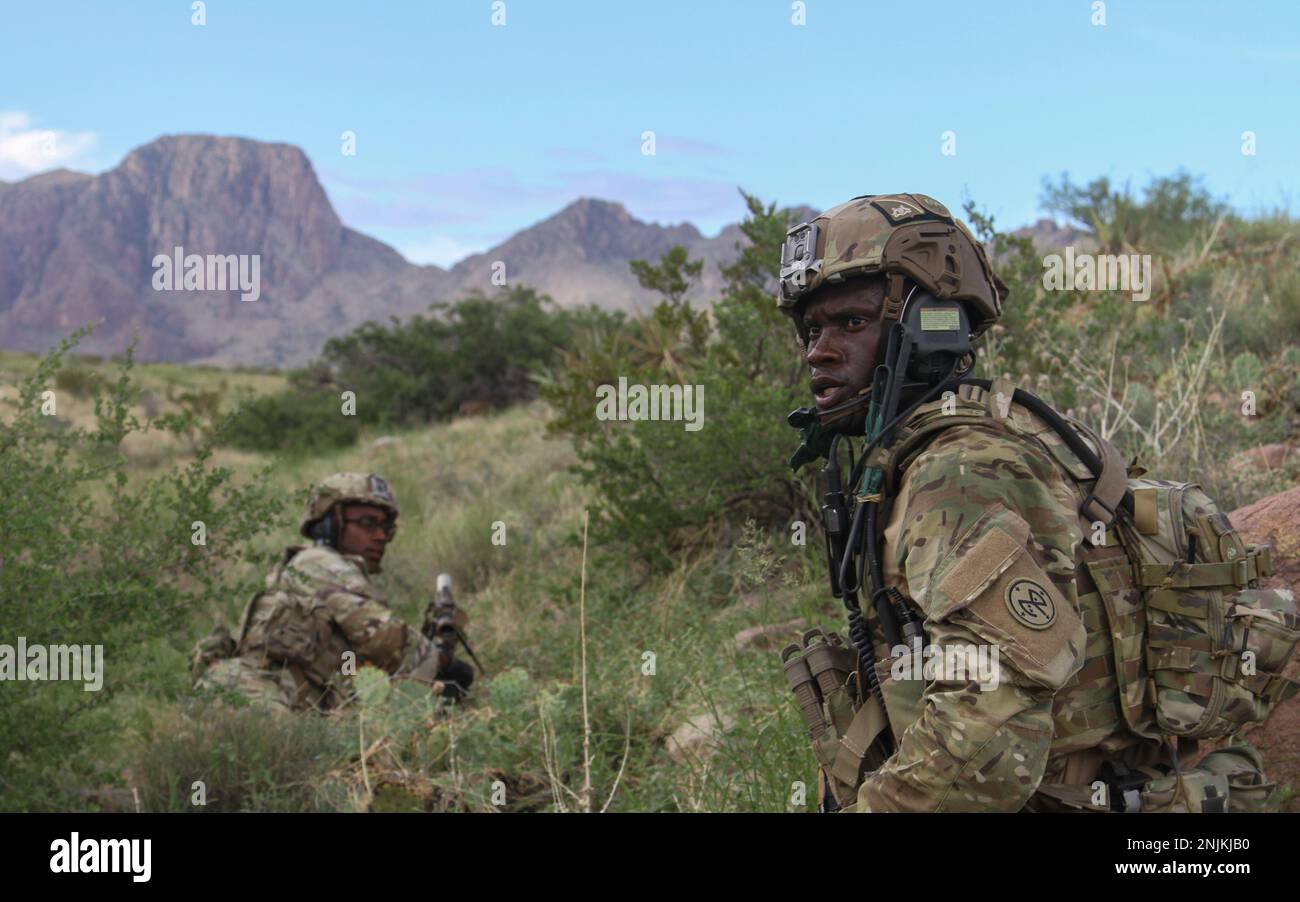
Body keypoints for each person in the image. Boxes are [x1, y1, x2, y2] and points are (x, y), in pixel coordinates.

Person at [777, 193, 1290, 812]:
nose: (819, 352)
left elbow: (988, 737)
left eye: (851, 323)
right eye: (812, 330)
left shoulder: (960, 472)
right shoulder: (985, 432)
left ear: (927, 321)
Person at [192, 472, 474, 711]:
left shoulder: (308, 569)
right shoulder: (319, 563)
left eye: (386, 529)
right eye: (367, 523)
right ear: (330, 523)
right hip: (259, 700)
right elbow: (385, 638)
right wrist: (442, 661)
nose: (380, 536)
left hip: (260, 699)